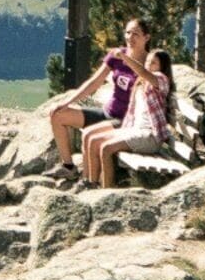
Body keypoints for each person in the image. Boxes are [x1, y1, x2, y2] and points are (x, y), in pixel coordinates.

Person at [47, 20, 147, 168]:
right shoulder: (116, 55)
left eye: (136, 34)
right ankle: (68, 167)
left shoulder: (149, 62)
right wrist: (67, 102)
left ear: (147, 37)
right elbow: (95, 82)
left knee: (89, 135)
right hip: (107, 113)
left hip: (125, 121)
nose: (130, 37)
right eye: (128, 32)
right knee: (57, 114)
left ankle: (90, 181)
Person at [82, 37, 176, 186]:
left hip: (150, 136)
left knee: (106, 148)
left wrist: (124, 57)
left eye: (154, 63)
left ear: (162, 67)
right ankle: (91, 183)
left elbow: (143, 72)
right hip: (135, 130)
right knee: (93, 139)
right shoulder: (141, 83)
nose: (148, 65)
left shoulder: (161, 80)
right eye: (148, 61)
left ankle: (107, 193)